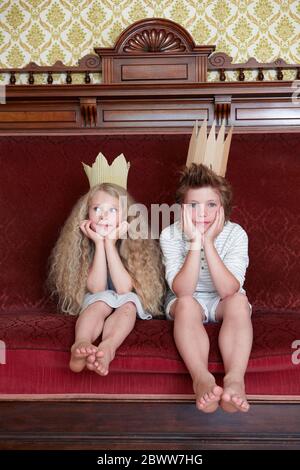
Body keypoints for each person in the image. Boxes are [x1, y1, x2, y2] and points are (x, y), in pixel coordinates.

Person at [160, 163, 252, 413]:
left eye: (211, 204)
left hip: (223, 299)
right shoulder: (170, 235)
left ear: (223, 208)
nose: (202, 213)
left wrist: (209, 242)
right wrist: (194, 243)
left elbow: (228, 290)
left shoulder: (236, 234)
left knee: (238, 303)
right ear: (182, 209)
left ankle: (234, 380)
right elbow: (183, 291)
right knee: (187, 305)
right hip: (189, 300)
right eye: (193, 205)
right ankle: (202, 379)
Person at [48, 182, 165, 376]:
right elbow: (97, 288)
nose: (103, 216)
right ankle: (81, 343)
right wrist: (99, 243)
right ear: (86, 215)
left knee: (127, 305)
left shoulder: (135, 244)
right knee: (99, 303)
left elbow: (123, 290)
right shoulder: (82, 245)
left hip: (127, 299)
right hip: (97, 299)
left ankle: (108, 347)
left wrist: (110, 244)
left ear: (126, 217)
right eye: (97, 209)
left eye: (112, 210)